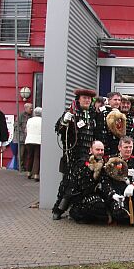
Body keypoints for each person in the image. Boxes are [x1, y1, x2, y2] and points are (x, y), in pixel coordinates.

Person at [53, 88, 97, 219]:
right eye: (84, 98)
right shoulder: (71, 113)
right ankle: (59, 209)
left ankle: (77, 210)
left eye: (89, 99)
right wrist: (65, 121)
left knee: (83, 183)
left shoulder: (94, 114)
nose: (87, 100)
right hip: (73, 154)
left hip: (88, 155)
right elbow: (59, 129)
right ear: (79, 99)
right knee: (68, 181)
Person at [100, 136, 134, 227]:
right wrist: (112, 194)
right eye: (126, 147)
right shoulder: (111, 162)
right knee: (120, 214)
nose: (128, 149)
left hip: (132, 193)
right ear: (119, 148)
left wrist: (133, 185)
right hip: (117, 194)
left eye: (130, 147)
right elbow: (105, 181)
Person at [68, 140, 108, 224]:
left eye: (102, 150)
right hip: (83, 196)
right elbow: (84, 187)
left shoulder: (105, 162)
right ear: (91, 150)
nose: (100, 152)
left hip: (100, 193)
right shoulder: (83, 163)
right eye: (97, 150)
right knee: (98, 205)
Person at [95, 91, 125, 157]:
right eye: (115, 100)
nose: (117, 102)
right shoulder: (103, 113)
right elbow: (101, 132)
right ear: (109, 100)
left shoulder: (120, 114)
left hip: (117, 148)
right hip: (107, 148)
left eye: (119, 100)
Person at [24, 107, 42, 181]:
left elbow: (26, 130)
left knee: (29, 156)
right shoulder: (42, 120)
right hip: (38, 140)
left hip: (29, 140)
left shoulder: (30, 120)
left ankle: (28, 172)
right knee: (37, 157)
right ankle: (36, 175)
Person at [14, 103, 32, 171]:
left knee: (28, 153)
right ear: (26, 108)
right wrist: (22, 132)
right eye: (30, 108)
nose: (31, 109)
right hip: (22, 137)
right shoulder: (21, 115)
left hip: (29, 137)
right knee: (21, 153)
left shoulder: (31, 116)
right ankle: (20, 167)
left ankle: (26, 166)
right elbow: (16, 125)